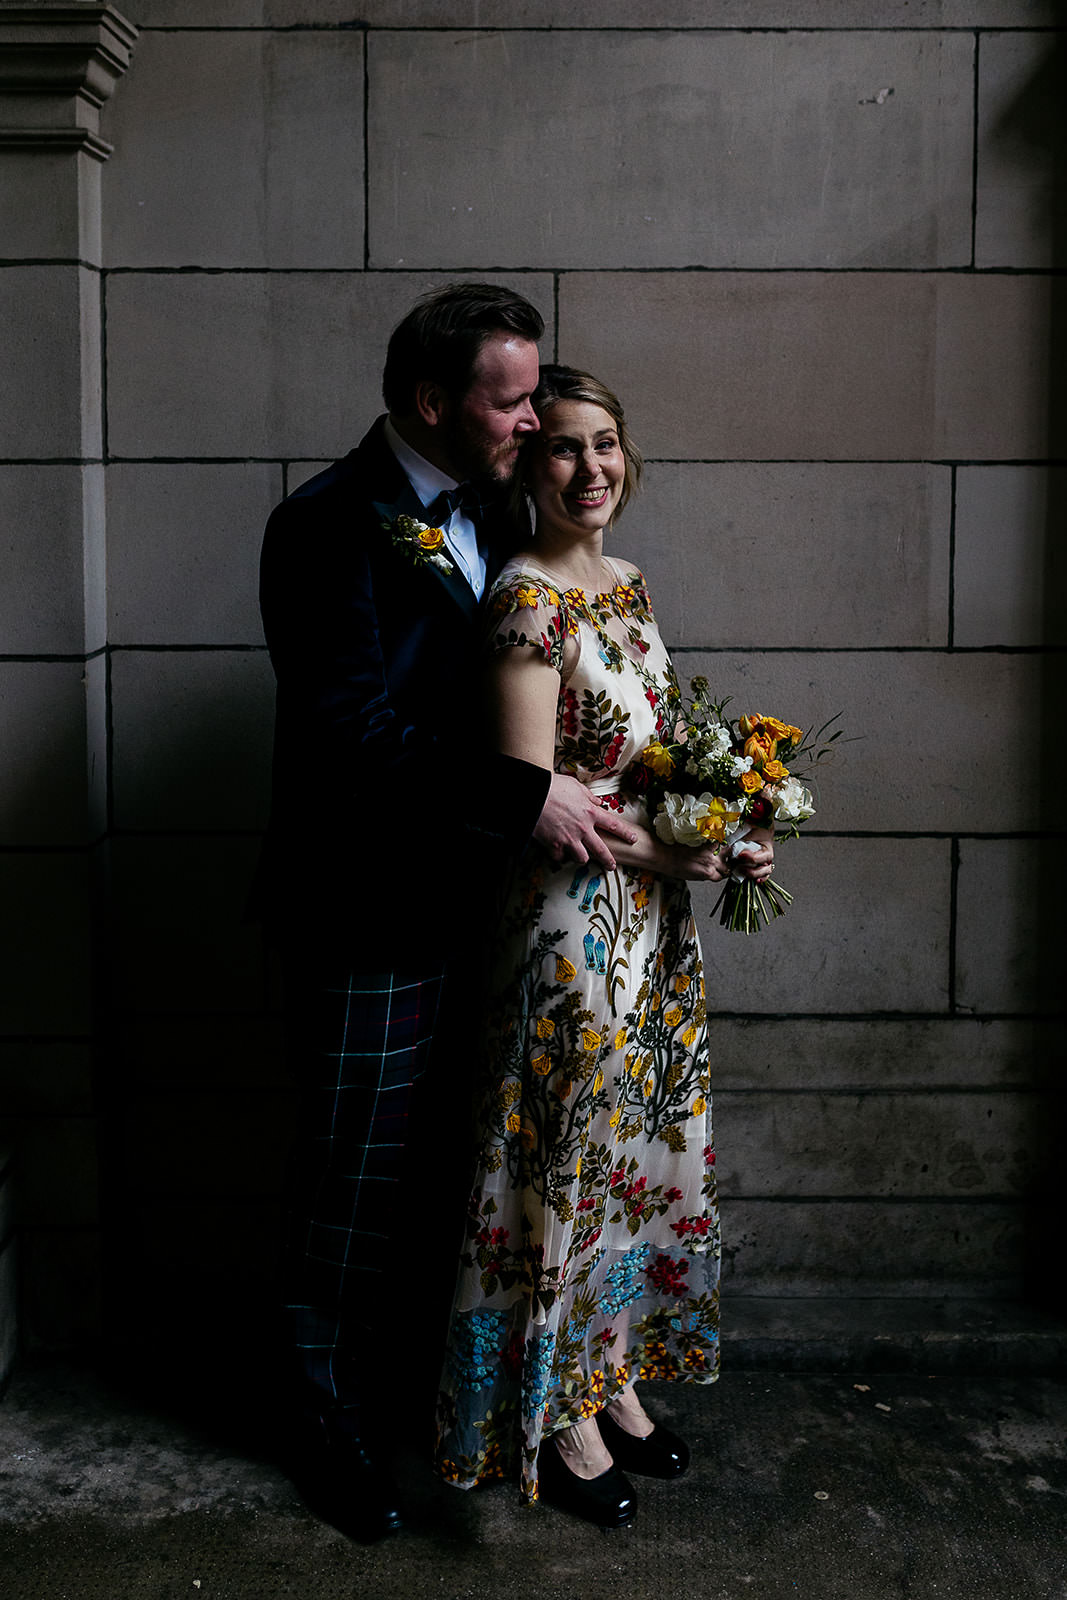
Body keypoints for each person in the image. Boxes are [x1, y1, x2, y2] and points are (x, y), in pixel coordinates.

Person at [257, 291, 636, 1543]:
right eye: (511, 399)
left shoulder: (491, 510)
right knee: (348, 1190)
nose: (535, 421)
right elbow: (348, 736)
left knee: (452, 1188)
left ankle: (437, 1413)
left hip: (494, 922)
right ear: (433, 402)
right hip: (369, 917)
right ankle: (318, 1424)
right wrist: (526, 799)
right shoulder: (321, 527)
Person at [434, 366, 774, 1528]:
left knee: (634, 1151)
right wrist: (676, 856)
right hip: (570, 925)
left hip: (652, 919)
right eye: (565, 448)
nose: (592, 469)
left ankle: (606, 1367)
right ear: (528, 468)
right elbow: (539, 795)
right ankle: (553, 1411)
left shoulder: (625, 585)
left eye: (609, 444)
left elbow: (653, 757)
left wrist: (733, 825)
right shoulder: (526, 601)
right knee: (564, 1158)